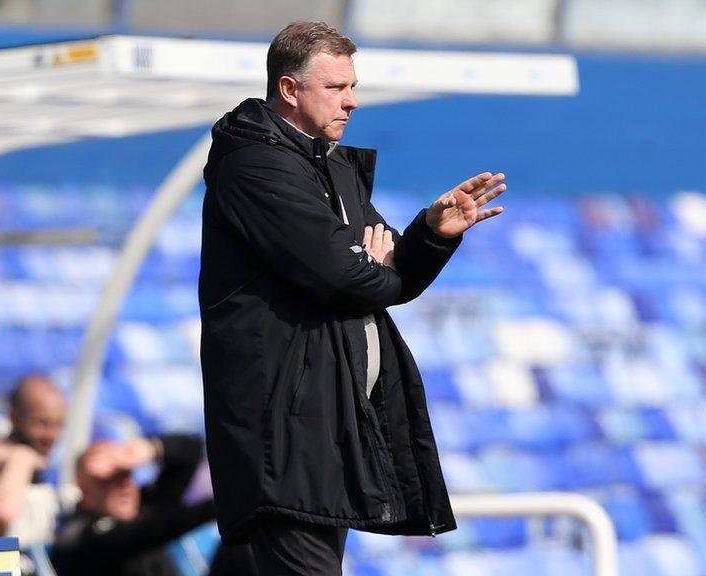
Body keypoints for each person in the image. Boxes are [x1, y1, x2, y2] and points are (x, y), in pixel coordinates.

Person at [199, 21, 507, 574]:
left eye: (353, 86)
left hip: (331, 417)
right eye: (337, 88)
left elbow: (389, 283)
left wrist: (431, 235)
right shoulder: (255, 166)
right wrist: (365, 265)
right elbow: (347, 278)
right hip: (284, 430)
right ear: (290, 90)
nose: (353, 101)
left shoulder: (332, 165)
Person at [51, 435, 233, 576]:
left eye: (127, 474)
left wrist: (151, 448)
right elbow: (147, 530)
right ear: (83, 486)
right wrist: (229, 502)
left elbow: (191, 449)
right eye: (110, 479)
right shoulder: (76, 534)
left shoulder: (145, 507)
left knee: (241, 544)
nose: (124, 485)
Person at [7, 374, 66, 483]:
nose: (52, 435)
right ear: (14, 418)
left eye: (59, 424)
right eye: (43, 423)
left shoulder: (51, 473)